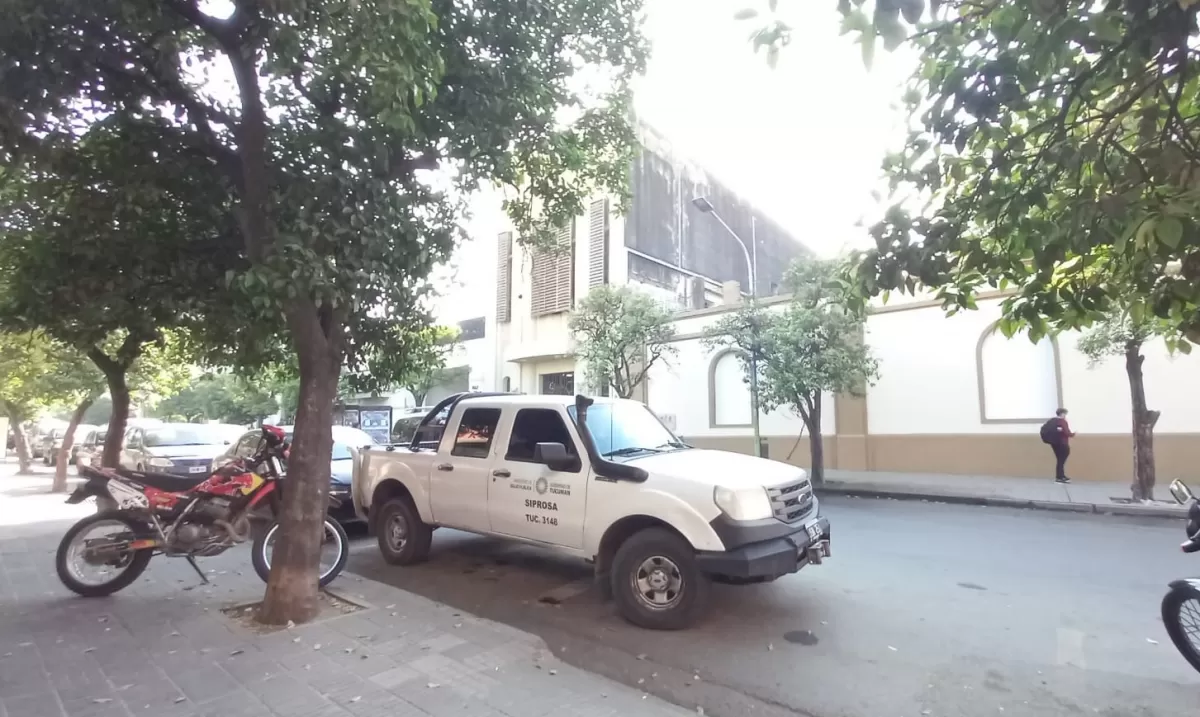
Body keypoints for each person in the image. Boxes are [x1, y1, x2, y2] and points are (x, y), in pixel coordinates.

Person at [1041, 408, 1076, 484]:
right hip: (1062, 444)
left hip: (1054, 443)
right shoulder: (1062, 421)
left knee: (1060, 460)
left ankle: (1061, 476)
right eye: (1065, 414)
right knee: (1061, 461)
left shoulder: (1052, 421)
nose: (1065, 415)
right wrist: (1073, 434)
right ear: (1062, 413)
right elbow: (1067, 433)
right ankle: (1060, 477)